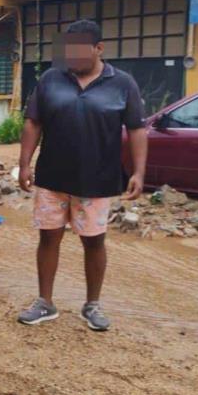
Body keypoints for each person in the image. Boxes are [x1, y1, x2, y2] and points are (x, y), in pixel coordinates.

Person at [16, 19, 148, 332]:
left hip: (98, 180)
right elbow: (33, 123)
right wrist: (24, 164)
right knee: (48, 237)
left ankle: (92, 305)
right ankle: (45, 302)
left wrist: (139, 172)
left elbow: (137, 129)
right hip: (51, 177)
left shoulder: (123, 83)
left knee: (94, 241)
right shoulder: (51, 78)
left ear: (98, 48)